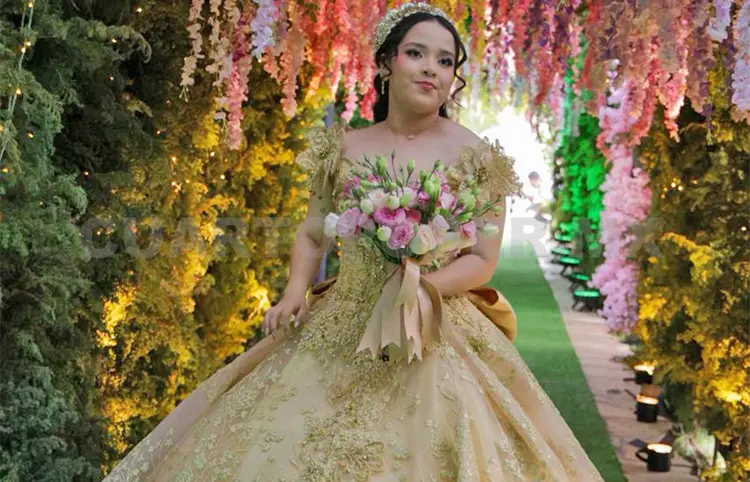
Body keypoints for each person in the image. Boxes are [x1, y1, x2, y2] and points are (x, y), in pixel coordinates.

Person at [103, 3, 604, 481]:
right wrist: (294, 291)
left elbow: (482, 259)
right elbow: (313, 231)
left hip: (434, 322)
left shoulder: (478, 156)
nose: (431, 69)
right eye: (416, 53)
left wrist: (421, 288)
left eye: (445, 61)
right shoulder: (344, 147)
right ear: (386, 63)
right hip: (344, 317)